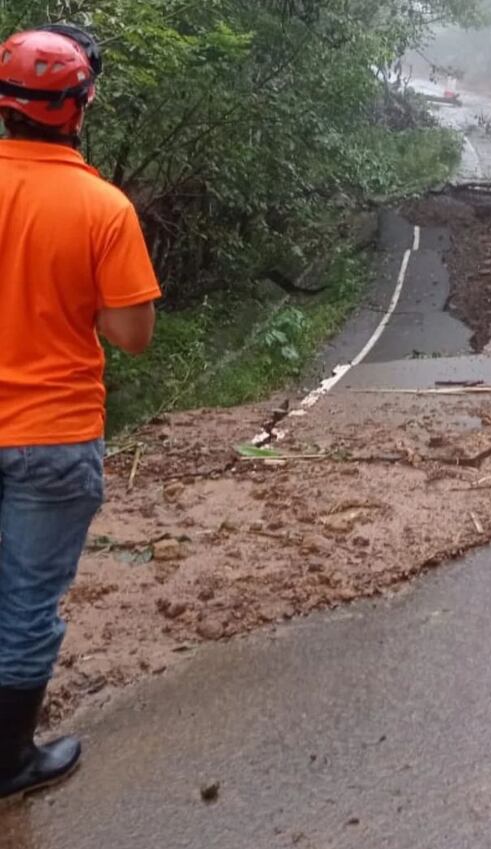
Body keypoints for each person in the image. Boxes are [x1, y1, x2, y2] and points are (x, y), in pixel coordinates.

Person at [0, 25, 161, 799]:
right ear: (80, 106)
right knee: (26, 602)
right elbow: (132, 335)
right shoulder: (102, 207)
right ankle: (10, 760)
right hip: (53, 435)